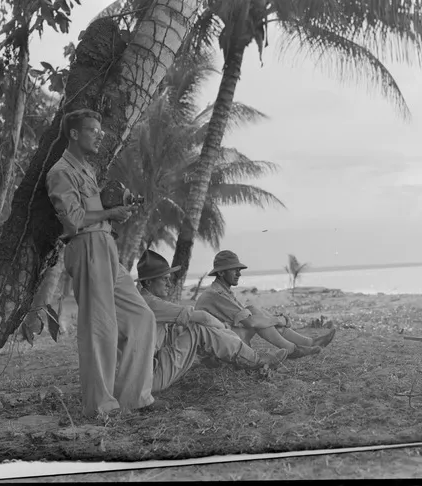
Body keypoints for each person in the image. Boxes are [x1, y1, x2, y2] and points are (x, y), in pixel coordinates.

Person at [46, 109, 157, 418]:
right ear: (74, 134)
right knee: (100, 330)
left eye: (99, 130)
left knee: (141, 317)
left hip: (106, 245)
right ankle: (101, 407)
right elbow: (73, 220)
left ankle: (133, 397)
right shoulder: (61, 172)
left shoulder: (87, 169)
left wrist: (115, 210)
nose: (99, 135)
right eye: (92, 130)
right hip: (85, 246)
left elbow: (93, 210)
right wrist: (110, 215)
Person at [136, 250, 288, 391]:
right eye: (164, 279)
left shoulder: (142, 301)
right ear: (148, 282)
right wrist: (224, 331)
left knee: (190, 329)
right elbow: (203, 317)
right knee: (198, 329)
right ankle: (255, 360)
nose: (169, 284)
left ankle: (250, 358)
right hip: (151, 377)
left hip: (147, 373)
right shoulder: (150, 303)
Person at [195, 250, 336, 359]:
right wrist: (278, 320)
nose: (239, 274)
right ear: (220, 272)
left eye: (239, 270)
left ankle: (308, 343)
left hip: (223, 340)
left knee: (252, 310)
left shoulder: (223, 291)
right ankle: (293, 349)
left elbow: (247, 316)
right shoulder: (216, 294)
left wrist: (275, 319)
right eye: (234, 270)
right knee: (255, 315)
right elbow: (250, 322)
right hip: (215, 349)